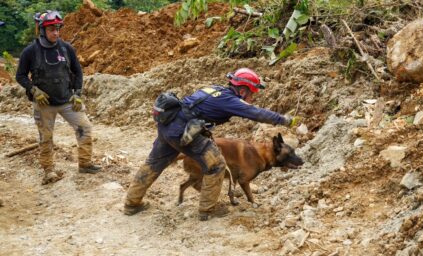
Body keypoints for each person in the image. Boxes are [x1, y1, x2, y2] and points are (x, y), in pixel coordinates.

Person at [124, 68, 297, 221]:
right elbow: (255, 113)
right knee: (216, 165)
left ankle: (131, 204)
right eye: (252, 94)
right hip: (184, 131)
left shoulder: (215, 89)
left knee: (154, 162)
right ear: (243, 91)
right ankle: (207, 210)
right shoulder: (230, 100)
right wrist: (283, 120)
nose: (252, 98)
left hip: (167, 125)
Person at [16, 11, 101, 185]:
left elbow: (77, 71)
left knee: (84, 128)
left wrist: (77, 93)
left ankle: (85, 164)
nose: (55, 33)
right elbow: (20, 76)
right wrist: (33, 90)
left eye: (57, 29)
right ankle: (48, 171)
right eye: (51, 29)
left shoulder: (66, 48)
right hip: (44, 104)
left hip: (67, 100)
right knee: (46, 138)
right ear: (42, 30)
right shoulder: (30, 51)